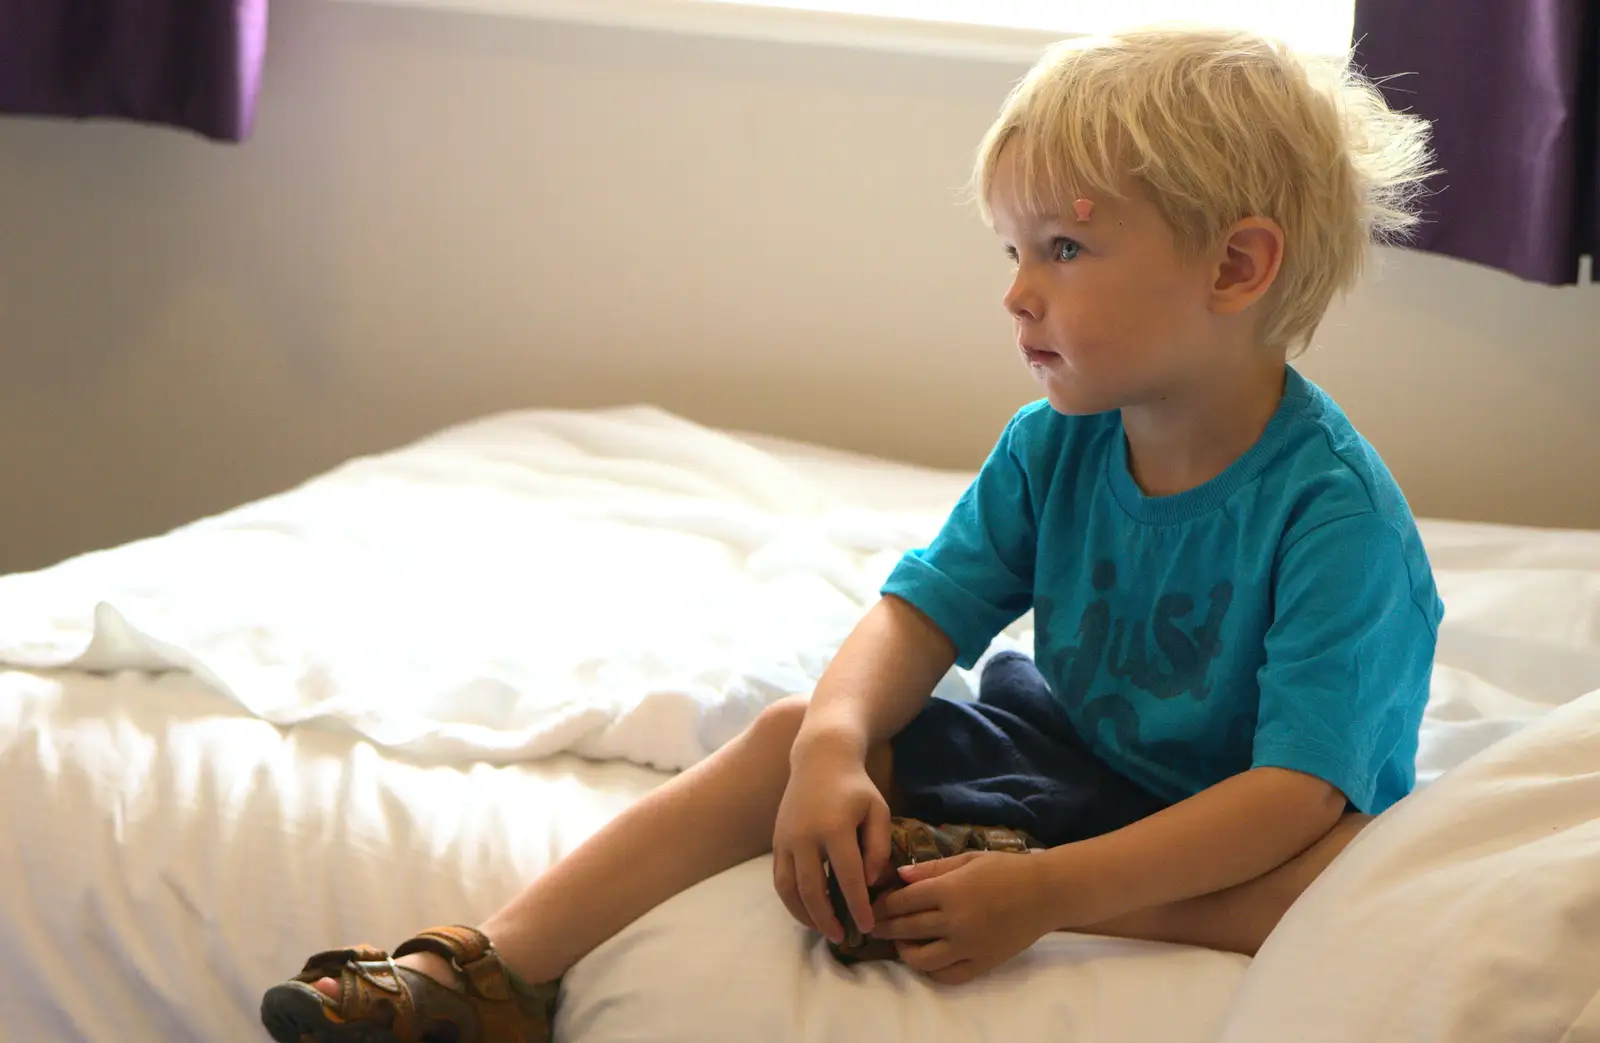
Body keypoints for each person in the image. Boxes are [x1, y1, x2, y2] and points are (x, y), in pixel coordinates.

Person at [261, 23, 1442, 1043]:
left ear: (1235, 267)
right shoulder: (1055, 441)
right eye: (1013, 250)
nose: (1017, 292)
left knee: (1337, 882)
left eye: (1065, 249)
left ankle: (995, 876)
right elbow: (921, 609)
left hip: (1236, 823)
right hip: (1070, 758)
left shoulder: (1333, 518)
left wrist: (1049, 894)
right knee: (787, 733)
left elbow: (1289, 793)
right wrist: (833, 743)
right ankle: (488, 970)